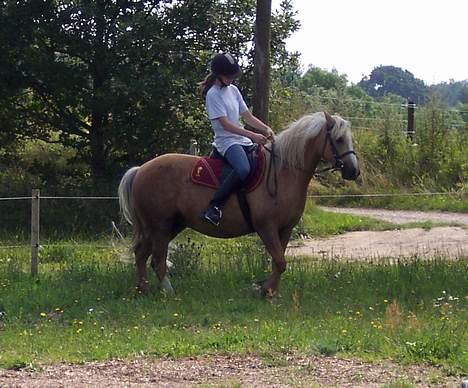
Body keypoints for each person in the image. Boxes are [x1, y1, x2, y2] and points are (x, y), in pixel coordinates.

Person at [199, 52, 274, 226]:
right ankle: (214, 207)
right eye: (229, 75)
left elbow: (247, 116)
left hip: (242, 141)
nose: (232, 78)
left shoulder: (233, 90)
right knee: (243, 169)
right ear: (219, 74)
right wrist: (253, 135)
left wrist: (265, 128)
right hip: (227, 142)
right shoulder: (213, 94)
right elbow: (226, 125)